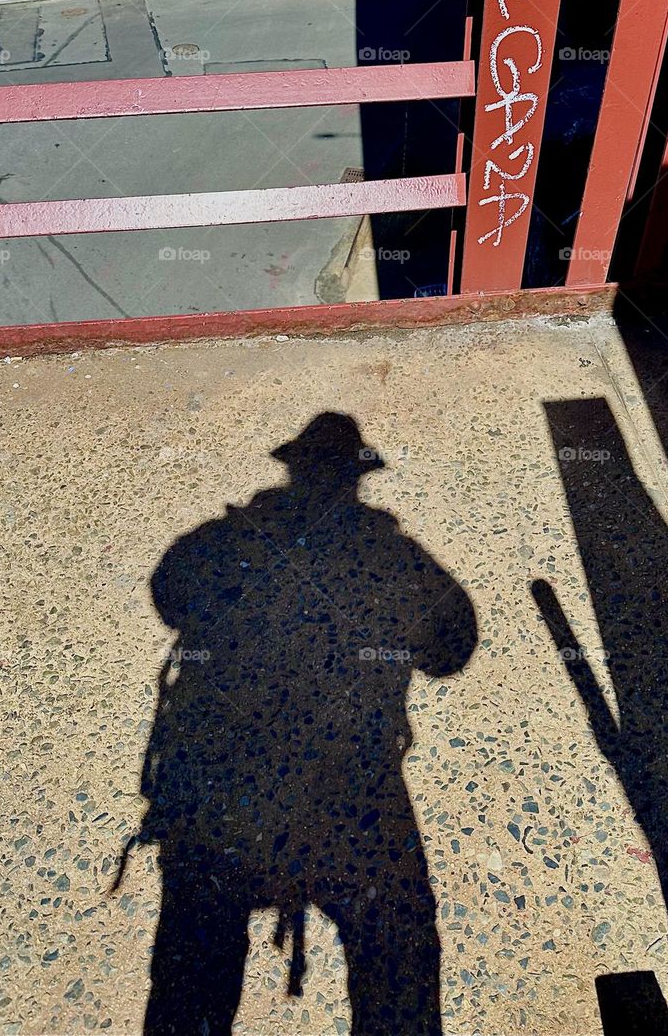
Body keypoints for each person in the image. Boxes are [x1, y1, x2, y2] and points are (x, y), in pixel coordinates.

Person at [131, 412, 477, 1035]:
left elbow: (168, 593)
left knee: (192, 973)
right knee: (397, 949)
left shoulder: (224, 541)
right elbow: (452, 649)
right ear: (355, 479)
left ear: (292, 469)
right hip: (350, 789)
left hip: (222, 787)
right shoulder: (391, 557)